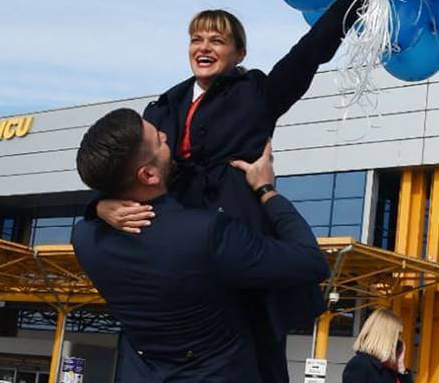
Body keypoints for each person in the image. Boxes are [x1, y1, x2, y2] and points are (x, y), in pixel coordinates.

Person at [96, 0, 393, 381]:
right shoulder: (159, 108)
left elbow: (310, 51)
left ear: (238, 52)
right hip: (175, 244)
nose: (204, 47)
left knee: (252, 345)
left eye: (217, 40)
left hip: (235, 238)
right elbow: (120, 166)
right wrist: (103, 204)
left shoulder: (256, 94)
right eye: (197, 39)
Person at [71, 108, 330, 383]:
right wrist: (267, 190)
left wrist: (98, 204)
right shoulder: (206, 233)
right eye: (159, 141)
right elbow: (310, 261)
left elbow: (99, 202)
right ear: (148, 175)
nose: (165, 134)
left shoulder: (86, 239)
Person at [342, 308, 413, 383]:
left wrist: (401, 365)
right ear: (385, 336)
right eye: (397, 334)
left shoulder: (390, 369)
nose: (399, 339)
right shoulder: (360, 364)